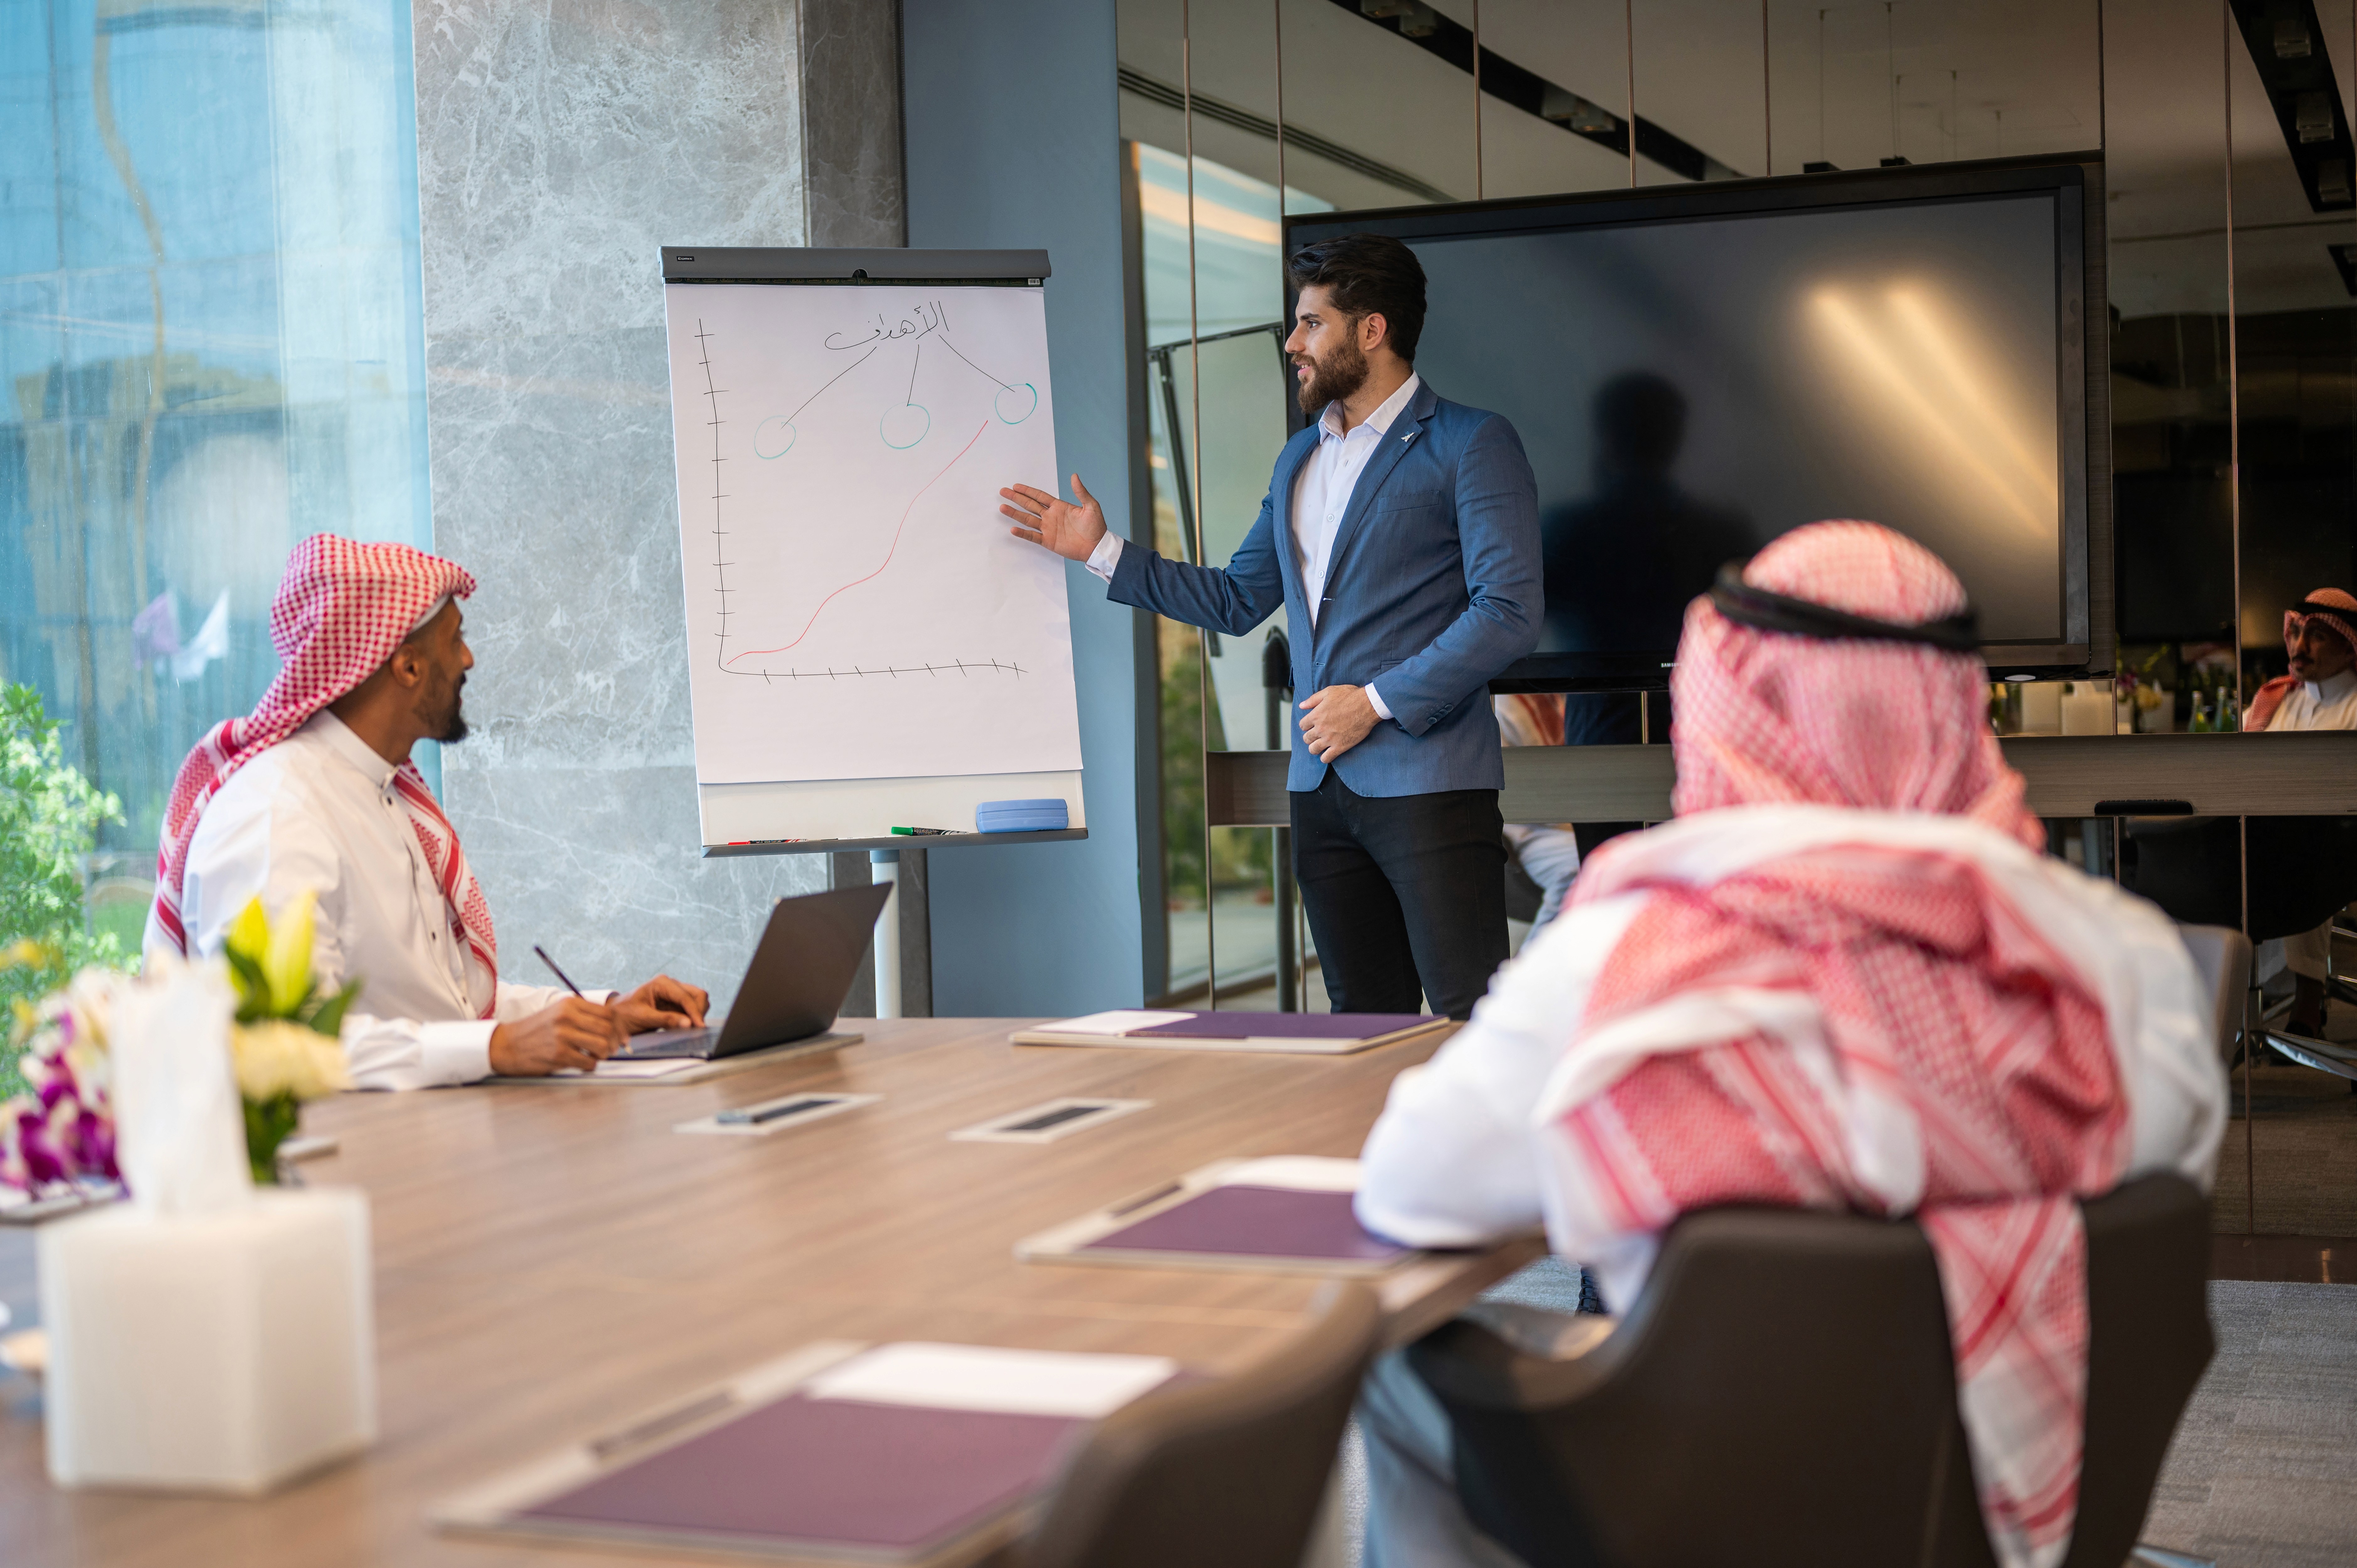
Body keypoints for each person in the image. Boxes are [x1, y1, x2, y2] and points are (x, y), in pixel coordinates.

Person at [1349, 522, 2225, 1568]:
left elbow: (1406, 1189)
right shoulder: (2120, 965)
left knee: (1400, 1368)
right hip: (2009, 1500)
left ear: (1726, 708)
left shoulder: (1620, 965)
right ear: (1954, 704)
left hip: (1683, 1507)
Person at [999, 234, 1541, 1018]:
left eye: (1311, 323)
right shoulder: (1298, 460)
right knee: (1359, 1027)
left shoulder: (1470, 443)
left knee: (1473, 1021)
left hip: (1430, 787)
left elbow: (1508, 611)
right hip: (1319, 795)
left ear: (1370, 331)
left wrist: (1375, 701)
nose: (1292, 343)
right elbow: (1234, 600)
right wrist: (1100, 552)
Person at [145, 535, 709, 1089]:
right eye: (455, 639)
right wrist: (498, 1048)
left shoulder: (380, 790)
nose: (468, 659)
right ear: (408, 668)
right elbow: (283, 1038)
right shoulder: (274, 812)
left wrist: (603, 1012)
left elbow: (447, 1006)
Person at [2242, 586, 2357, 1038]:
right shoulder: (2276, 702)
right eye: (2296, 633)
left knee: (2306, 843)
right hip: (2271, 838)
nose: (2299, 648)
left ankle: (2310, 997)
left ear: (2350, 647)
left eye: (2317, 637)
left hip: (2338, 844)